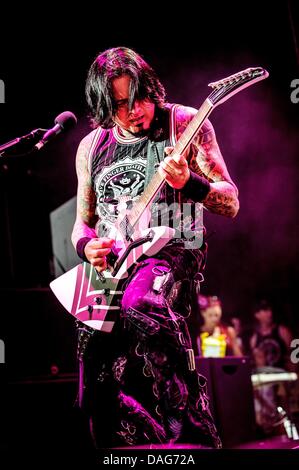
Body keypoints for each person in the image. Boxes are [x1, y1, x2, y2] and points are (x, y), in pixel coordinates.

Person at [71, 47, 239, 449]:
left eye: (138, 98)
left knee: (141, 301)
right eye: (120, 105)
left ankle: (191, 424)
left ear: (150, 88)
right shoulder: (91, 147)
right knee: (89, 365)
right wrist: (85, 246)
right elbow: (83, 220)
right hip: (115, 263)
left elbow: (231, 201)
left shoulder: (182, 122)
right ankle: (134, 438)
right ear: (103, 107)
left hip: (174, 250)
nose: (133, 111)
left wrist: (190, 184)